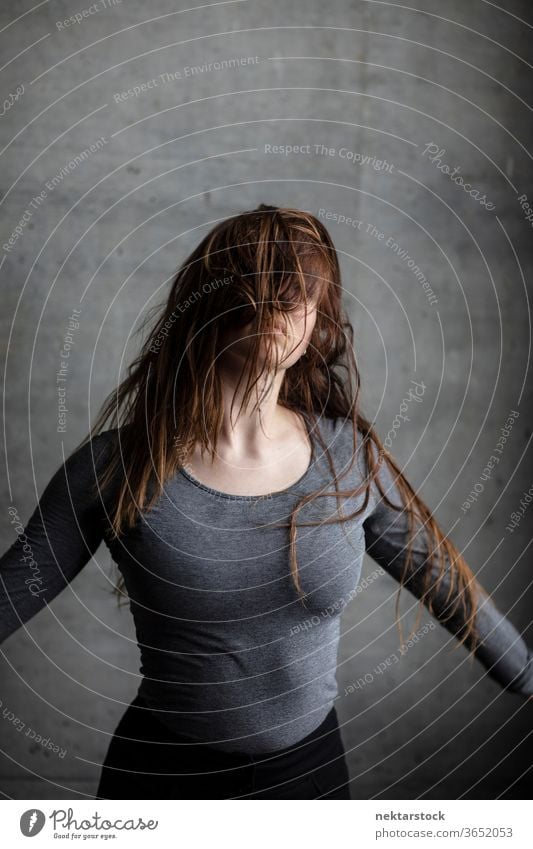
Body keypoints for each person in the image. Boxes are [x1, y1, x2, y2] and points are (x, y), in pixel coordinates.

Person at [1, 204, 531, 800]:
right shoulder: (117, 466)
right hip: (161, 781)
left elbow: (441, 576)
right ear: (208, 305)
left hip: (310, 782)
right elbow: (16, 585)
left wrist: (525, 672)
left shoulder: (348, 459)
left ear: (319, 321)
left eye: (302, 290)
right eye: (263, 285)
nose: (284, 305)